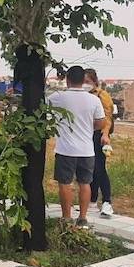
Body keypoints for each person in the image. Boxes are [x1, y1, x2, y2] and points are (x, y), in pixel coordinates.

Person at [48, 66, 105, 229]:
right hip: (87, 150)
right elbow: (101, 122)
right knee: (85, 183)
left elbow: (44, 112)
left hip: (65, 150)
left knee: (65, 184)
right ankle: (83, 217)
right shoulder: (94, 100)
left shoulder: (57, 97)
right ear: (83, 80)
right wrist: (89, 128)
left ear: (67, 79)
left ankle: (66, 218)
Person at [85, 68, 114, 218]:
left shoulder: (102, 96)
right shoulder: (84, 96)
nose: (85, 85)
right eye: (83, 82)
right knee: (90, 169)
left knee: (99, 168)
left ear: (94, 81)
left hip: (99, 136)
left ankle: (107, 202)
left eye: (88, 82)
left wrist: (105, 134)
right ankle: (91, 201)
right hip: (85, 135)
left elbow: (107, 118)